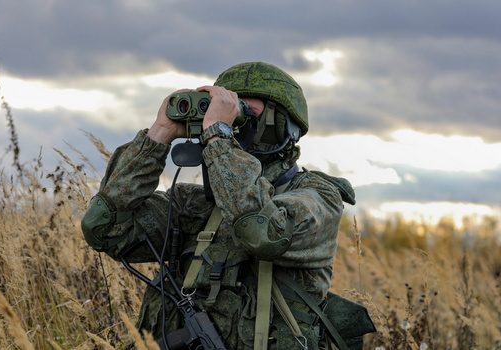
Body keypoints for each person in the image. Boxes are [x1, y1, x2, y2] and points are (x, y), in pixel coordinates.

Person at [81, 62, 374, 350]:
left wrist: (219, 137)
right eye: (225, 112)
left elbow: (263, 232)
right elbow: (104, 228)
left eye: (243, 114)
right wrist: (159, 134)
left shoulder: (318, 196)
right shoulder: (192, 204)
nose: (232, 123)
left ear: (285, 126)